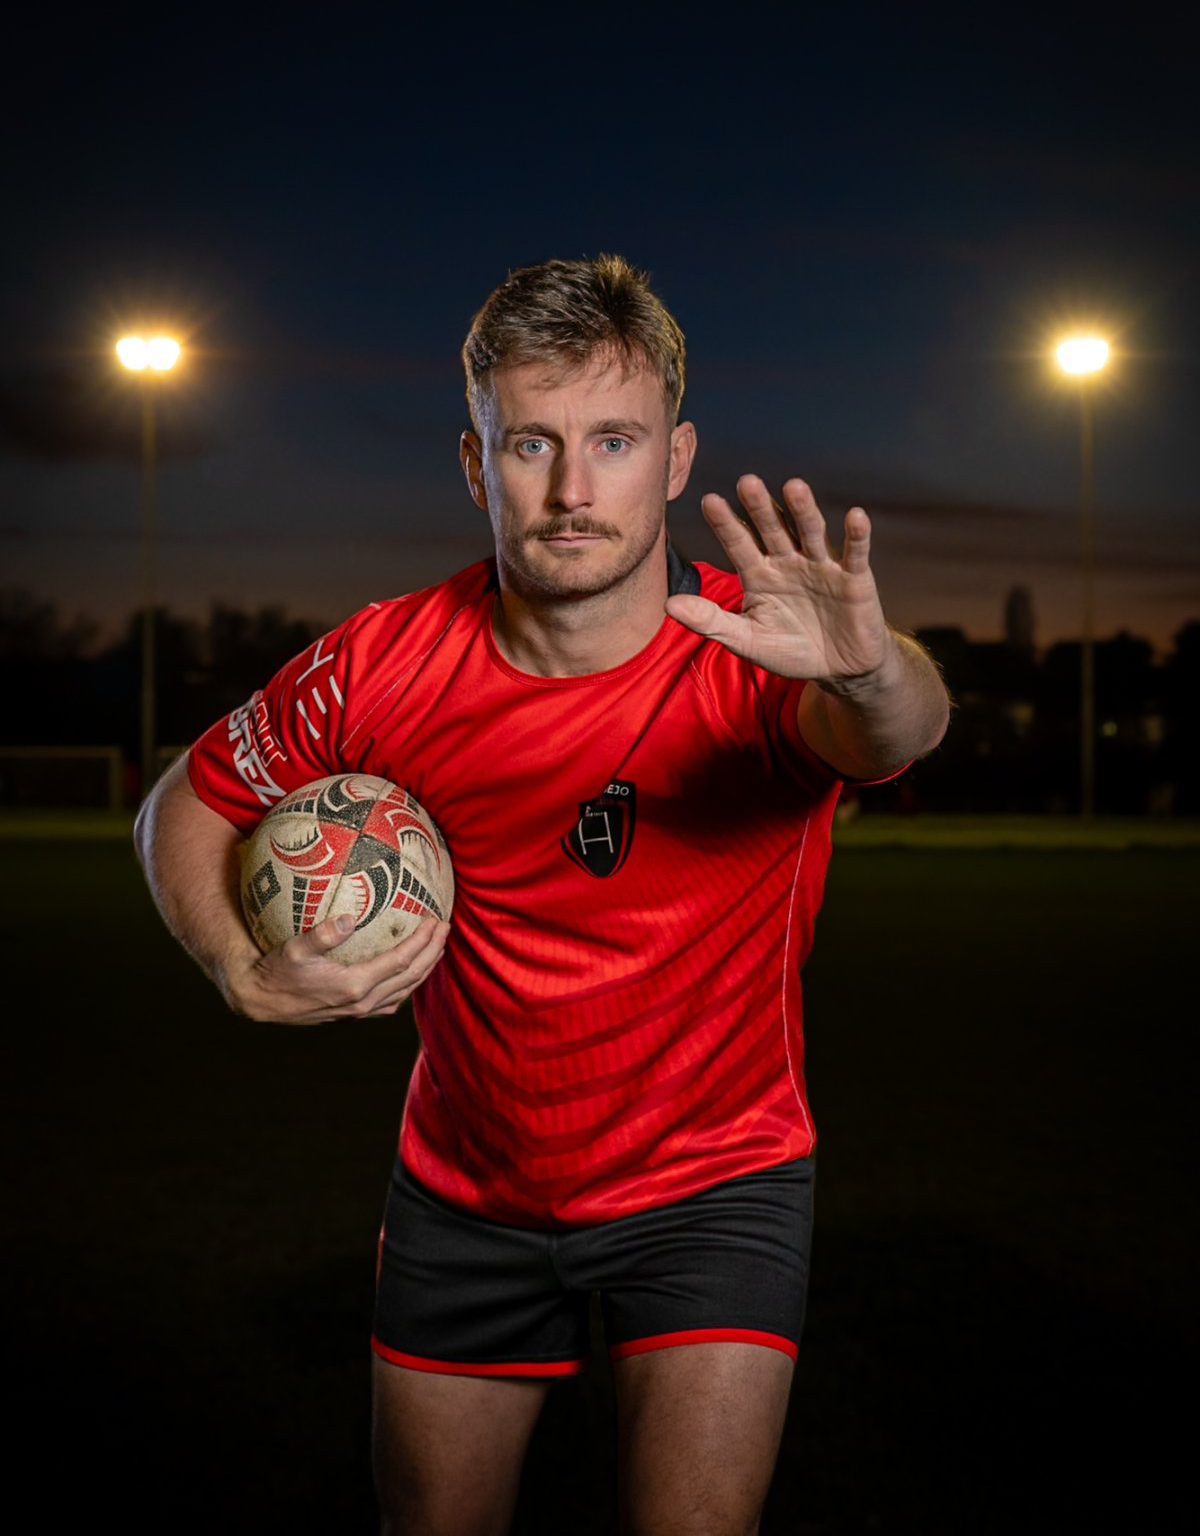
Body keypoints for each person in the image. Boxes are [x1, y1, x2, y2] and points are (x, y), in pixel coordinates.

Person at [135, 254, 949, 1536]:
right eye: (531, 443)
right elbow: (186, 794)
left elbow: (895, 730)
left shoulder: (763, 655)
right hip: (466, 1186)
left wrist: (867, 670)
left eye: (613, 440)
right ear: (476, 464)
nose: (574, 490)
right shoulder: (384, 662)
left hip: (716, 1180)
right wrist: (238, 963)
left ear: (675, 458)